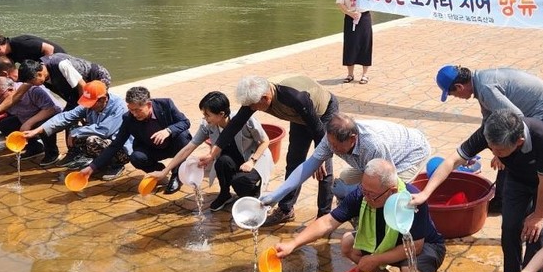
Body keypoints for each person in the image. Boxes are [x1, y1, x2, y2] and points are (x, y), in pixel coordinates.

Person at [411, 109, 543, 272]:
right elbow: (451, 161)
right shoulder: (491, 130)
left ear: (519, 141)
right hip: (518, 178)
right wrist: (425, 193)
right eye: (491, 148)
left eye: (499, 150)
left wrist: (538, 215)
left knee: (535, 235)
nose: (493, 152)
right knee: (510, 231)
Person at [275, 159, 446, 272]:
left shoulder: (411, 200)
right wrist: (293, 244)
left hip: (424, 245)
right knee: (348, 243)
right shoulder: (363, 194)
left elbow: (415, 246)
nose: (366, 197)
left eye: (372, 194)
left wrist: (375, 259)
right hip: (386, 241)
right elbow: (328, 222)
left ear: (392, 191)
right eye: (364, 190)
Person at [200, 75, 339, 226]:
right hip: (300, 116)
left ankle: (324, 217)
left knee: (323, 169)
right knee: (294, 161)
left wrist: (320, 159)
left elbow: (318, 130)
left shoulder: (295, 98)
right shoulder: (254, 99)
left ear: (265, 98)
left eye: (253, 106)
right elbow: (234, 126)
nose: (251, 109)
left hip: (323, 113)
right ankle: (286, 210)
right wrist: (211, 154)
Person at [435, 65, 543, 212]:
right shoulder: (479, 82)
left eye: (452, 94)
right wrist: (492, 149)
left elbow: (517, 119)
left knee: (526, 156)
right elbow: (489, 121)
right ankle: (502, 201)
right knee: (505, 153)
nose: (456, 97)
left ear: (459, 87)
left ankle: (533, 206)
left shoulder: (485, 89)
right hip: (536, 107)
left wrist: (500, 151)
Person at [260, 113, 429, 208]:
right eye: (330, 143)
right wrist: (277, 194)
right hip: (376, 160)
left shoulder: (373, 145)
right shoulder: (331, 138)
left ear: (352, 139)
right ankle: (359, 220)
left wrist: (350, 192)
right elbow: (308, 166)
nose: (331, 149)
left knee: (387, 196)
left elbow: (385, 182)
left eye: (336, 146)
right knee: (346, 180)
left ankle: (391, 233)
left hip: (410, 153)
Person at [148, 91, 273, 211]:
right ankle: (225, 195)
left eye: (208, 115)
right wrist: (165, 171)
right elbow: (188, 148)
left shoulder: (245, 120)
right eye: (204, 114)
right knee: (222, 162)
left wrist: (252, 161)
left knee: (240, 183)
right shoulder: (207, 126)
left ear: (221, 113)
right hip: (233, 160)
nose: (205, 118)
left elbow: (265, 141)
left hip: (254, 158)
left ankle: (254, 195)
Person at [0, 55, 112, 166]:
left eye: (32, 82)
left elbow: (82, 86)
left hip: (95, 79)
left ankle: (93, 148)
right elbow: (16, 95)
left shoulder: (61, 65)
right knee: (69, 117)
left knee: (91, 112)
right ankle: (75, 152)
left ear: (39, 74)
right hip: (75, 91)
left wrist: (84, 110)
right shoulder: (34, 72)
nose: (33, 85)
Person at [80, 86, 192, 192]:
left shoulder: (165, 104)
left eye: (138, 110)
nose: (134, 114)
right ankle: (157, 170)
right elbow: (116, 144)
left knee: (183, 137)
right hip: (152, 148)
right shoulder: (128, 118)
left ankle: (176, 174)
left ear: (148, 105)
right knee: (136, 157)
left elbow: (185, 122)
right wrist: (92, 167)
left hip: (173, 145)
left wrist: (168, 131)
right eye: (131, 109)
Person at [22, 81, 131, 179]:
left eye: (91, 104)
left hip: (120, 148)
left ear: (103, 99)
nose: (89, 107)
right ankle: (98, 163)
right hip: (104, 141)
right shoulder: (90, 105)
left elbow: (104, 130)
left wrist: (76, 133)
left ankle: (116, 165)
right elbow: (66, 116)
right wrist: (37, 130)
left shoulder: (119, 107)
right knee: (74, 129)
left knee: (91, 139)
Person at [336, 0, 372, 84]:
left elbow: (373, 0)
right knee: (350, 45)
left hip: (364, 18)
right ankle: (350, 74)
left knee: (365, 45)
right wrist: (350, 13)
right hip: (349, 17)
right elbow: (340, 3)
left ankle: (365, 74)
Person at [0, 33, 66, 63]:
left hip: (59, 58)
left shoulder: (21, 43)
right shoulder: (9, 53)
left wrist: (45, 68)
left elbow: (49, 48)